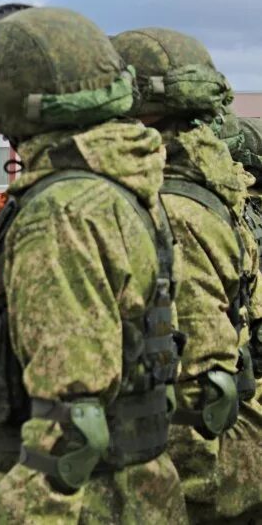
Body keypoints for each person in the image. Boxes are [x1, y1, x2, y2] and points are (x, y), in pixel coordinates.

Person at [0, 5, 186, 523]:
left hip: (93, 503)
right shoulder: (125, 186)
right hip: (139, 490)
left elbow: (72, 422)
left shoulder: (60, 213)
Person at [112, 29, 262, 522]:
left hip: (210, 478)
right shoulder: (205, 187)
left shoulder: (174, 209)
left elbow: (200, 384)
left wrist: (182, 501)